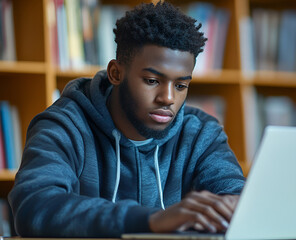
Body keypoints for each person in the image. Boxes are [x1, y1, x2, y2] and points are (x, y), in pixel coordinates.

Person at [8, 1, 245, 237]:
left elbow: (239, 203)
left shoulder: (200, 133)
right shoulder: (64, 125)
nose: (168, 98)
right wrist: (150, 220)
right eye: (152, 81)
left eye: (181, 85)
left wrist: (233, 209)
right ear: (116, 73)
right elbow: (35, 207)